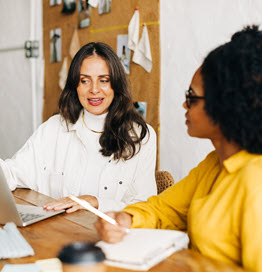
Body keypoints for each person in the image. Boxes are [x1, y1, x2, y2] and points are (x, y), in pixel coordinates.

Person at [95, 26, 262, 272]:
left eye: (191, 96)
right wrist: (127, 219)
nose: (184, 104)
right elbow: (163, 209)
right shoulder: (214, 163)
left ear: (226, 105)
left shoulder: (259, 180)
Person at [0, 42, 157, 212]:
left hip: (112, 234)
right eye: (85, 81)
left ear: (116, 84)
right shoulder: (54, 127)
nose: (94, 90)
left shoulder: (141, 136)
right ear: (75, 85)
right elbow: (11, 173)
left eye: (103, 80)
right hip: (57, 232)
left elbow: (145, 207)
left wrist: (95, 202)